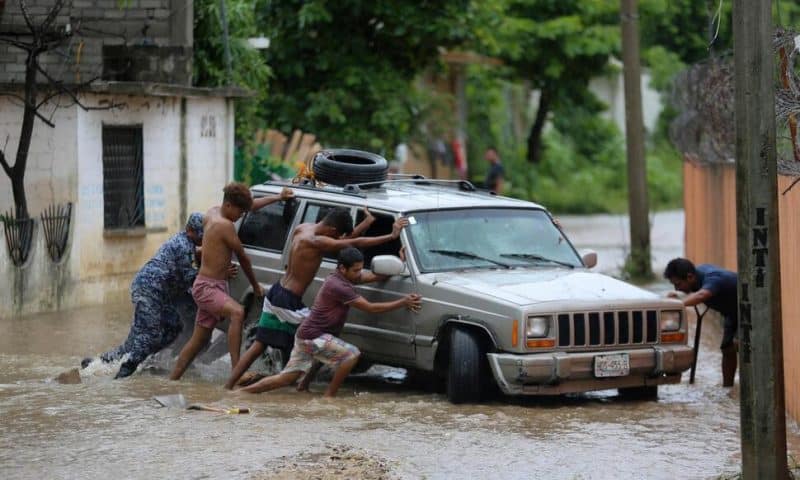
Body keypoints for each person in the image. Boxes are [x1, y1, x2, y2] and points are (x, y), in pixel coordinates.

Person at [224, 206, 409, 389]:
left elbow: (344, 242)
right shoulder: (317, 241)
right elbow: (354, 242)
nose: (338, 240)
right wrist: (391, 236)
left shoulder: (304, 228)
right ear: (333, 230)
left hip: (277, 291)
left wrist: (366, 223)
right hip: (288, 302)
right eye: (337, 236)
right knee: (322, 334)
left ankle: (229, 386)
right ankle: (300, 383)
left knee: (259, 344)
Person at [235, 247, 422, 397]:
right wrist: (403, 301)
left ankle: (292, 388)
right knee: (351, 356)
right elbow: (370, 307)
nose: (359, 273)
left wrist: (400, 264)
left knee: (291, 375)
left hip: (311, 335)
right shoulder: (339, 286)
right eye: (356, 270)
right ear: (342, 268)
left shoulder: (342, 278)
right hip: (312, 337)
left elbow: (374, 276)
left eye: (360, 269)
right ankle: (329, 397)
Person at [169, 183, 293, 380]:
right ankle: (237, 373)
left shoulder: (212, 212)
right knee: (238, 313)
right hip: (207, 287)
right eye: (240, 212)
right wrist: (255, 286)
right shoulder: (224, 226)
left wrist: (278, 198)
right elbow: (243, 258)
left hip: (210, 284)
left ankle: (173, 380)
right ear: (228, 205)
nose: (242, 216)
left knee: (198, 340)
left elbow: (251, 206)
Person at [81, 213, 205, 379]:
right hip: (149, 290)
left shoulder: (185, 243)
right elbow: (190, 277)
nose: (202, 239)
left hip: (158, 293)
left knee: (171, 327)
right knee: (150, 334)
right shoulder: (184, 246)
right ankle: (124, 373)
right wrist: (218, 272)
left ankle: (97, 364)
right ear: (190, 230)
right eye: (200, 235)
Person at [664, 258, 739, 387]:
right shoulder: (695, 277)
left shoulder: (713, 278)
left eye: (678, 284)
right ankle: (728, 389)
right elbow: (697, 293)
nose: (677, 288)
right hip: (731, 313)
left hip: (747, 309)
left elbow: (701, 295)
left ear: (690, 277)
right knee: (726, 349)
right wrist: (679, 297)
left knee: (737, 344)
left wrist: (678, 304)